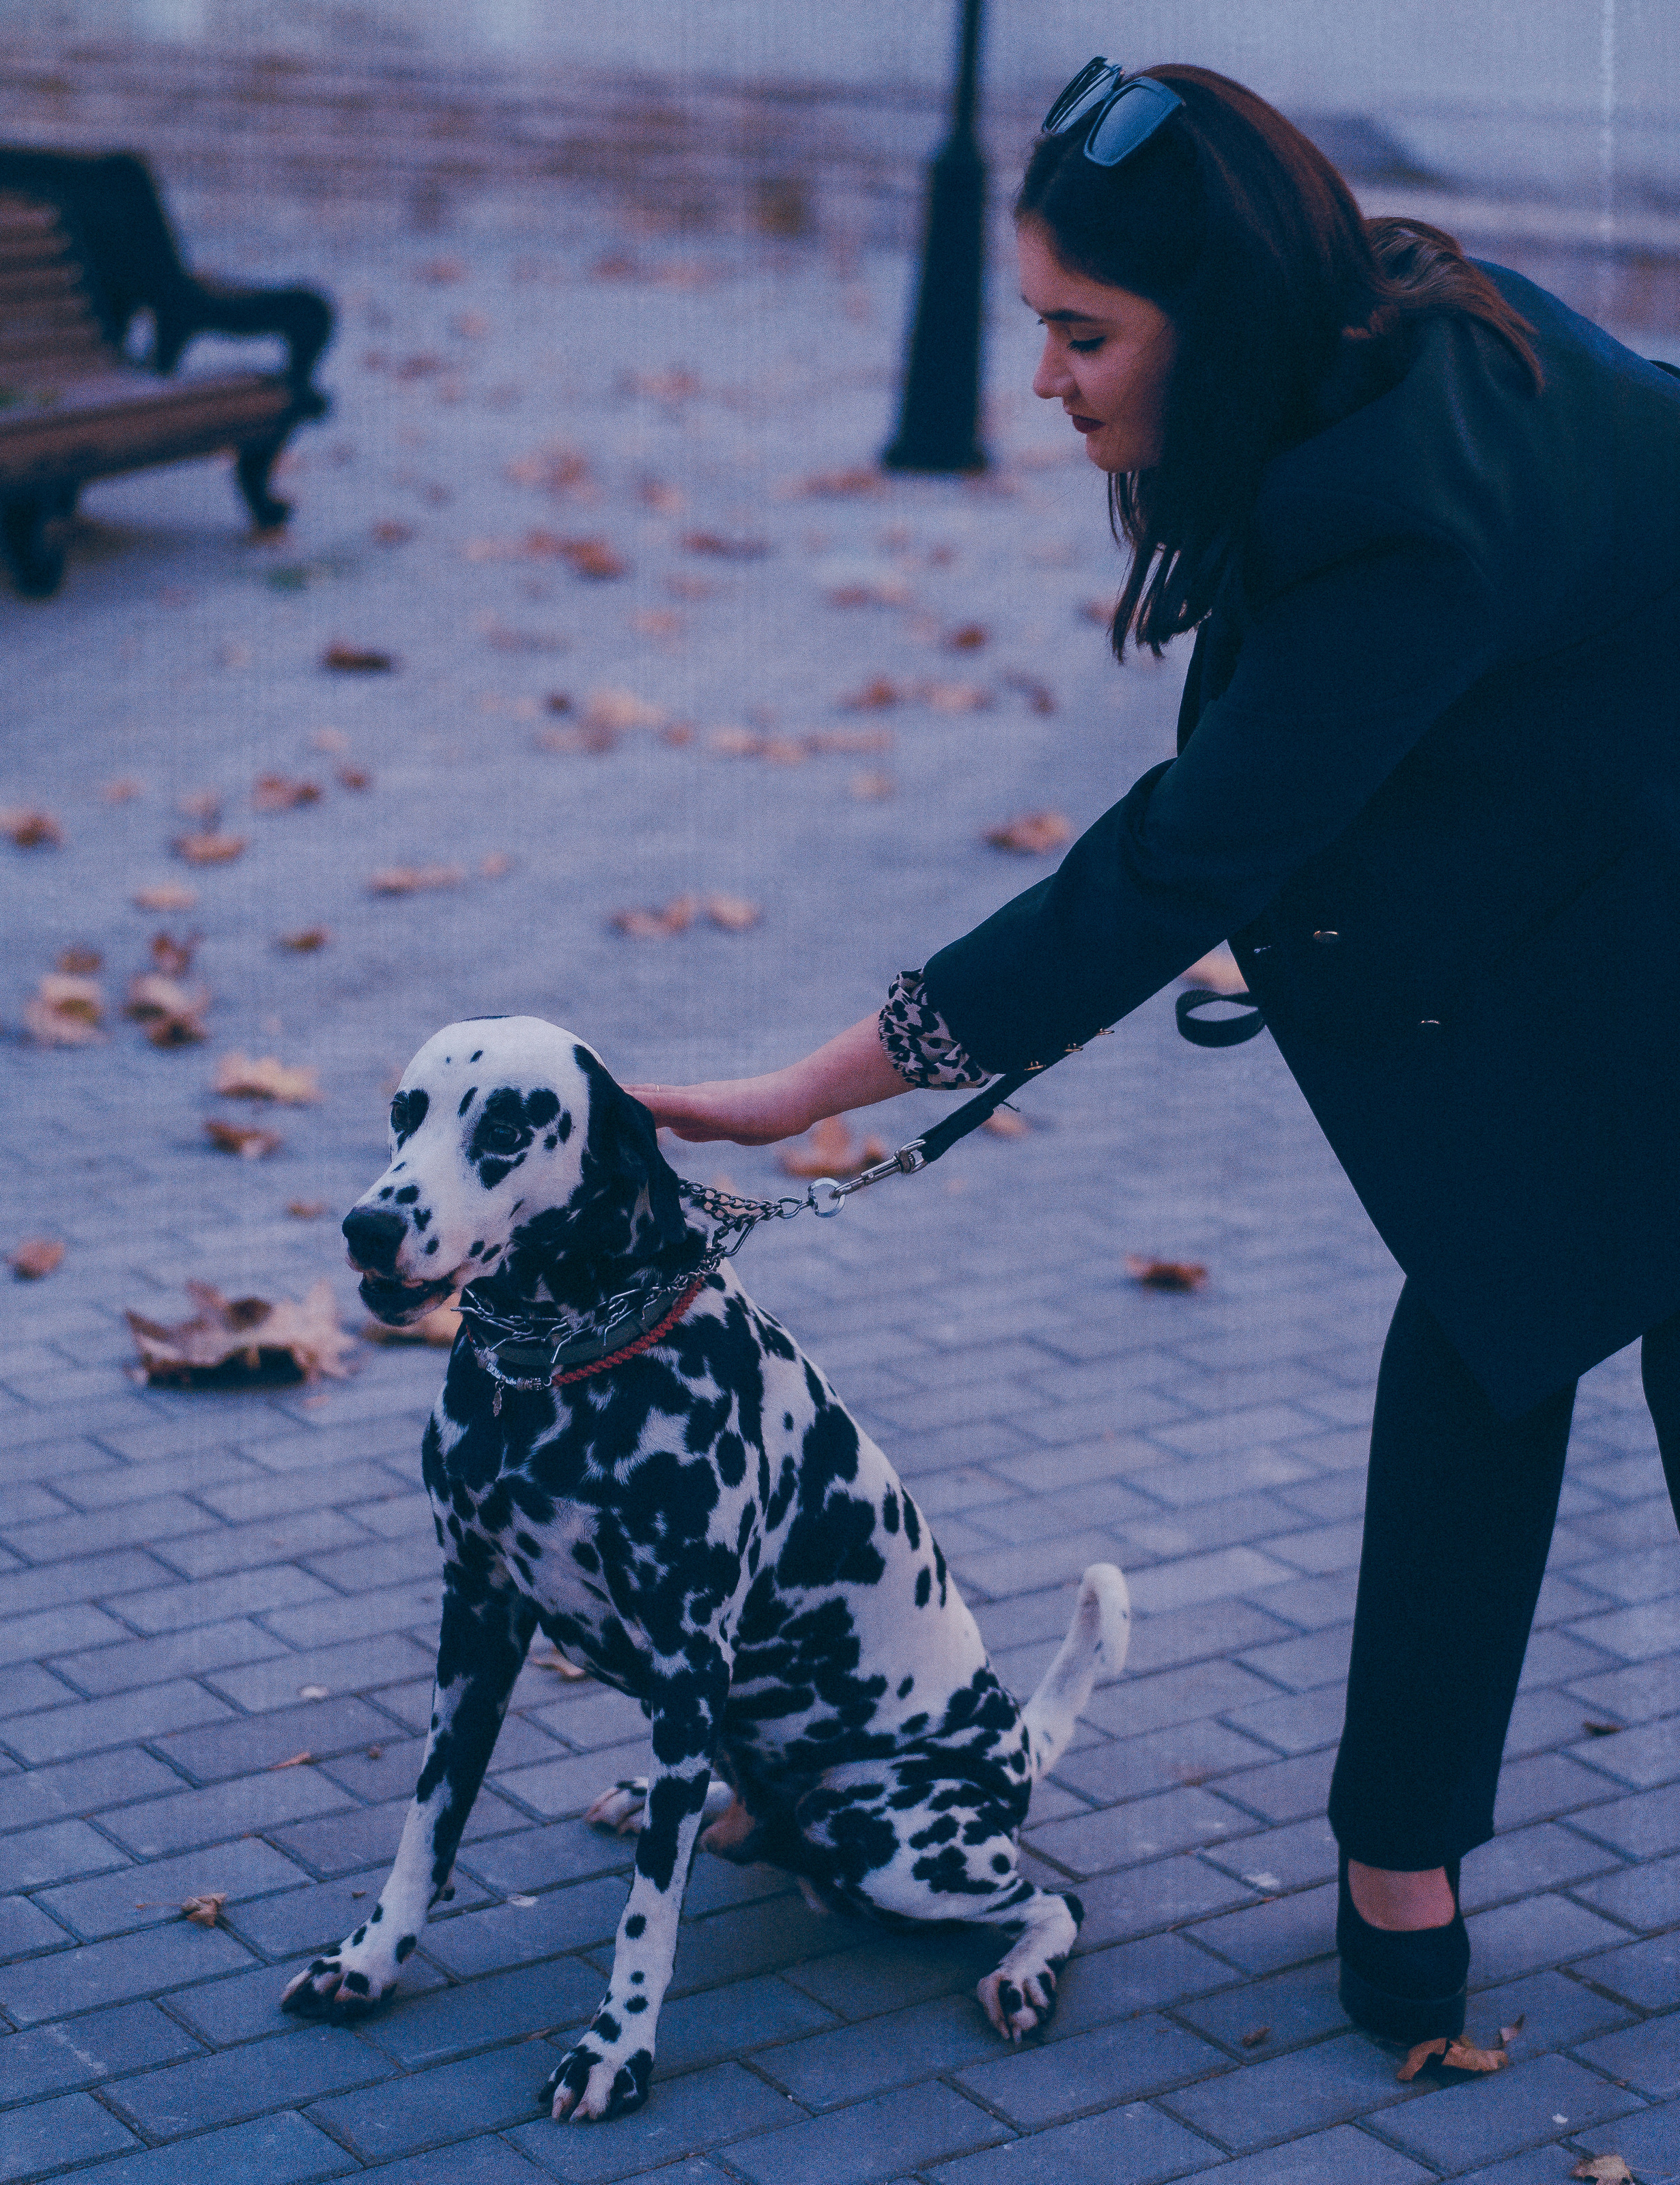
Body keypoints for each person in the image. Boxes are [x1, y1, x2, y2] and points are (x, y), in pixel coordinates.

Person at [632, 59, 1680, 2046]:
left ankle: (1401, 1868)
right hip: (1588, 866)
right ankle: (1401, 1867)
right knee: (1496, 1326)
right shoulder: (1382, 322)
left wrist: (818, 1087)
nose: (1044, 380)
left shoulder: (1401, 499)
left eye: (1085, 332)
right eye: (1039, 322)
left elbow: (1176, 861)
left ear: (1227, 314)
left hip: (1631, 890)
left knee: (1535, 1327)